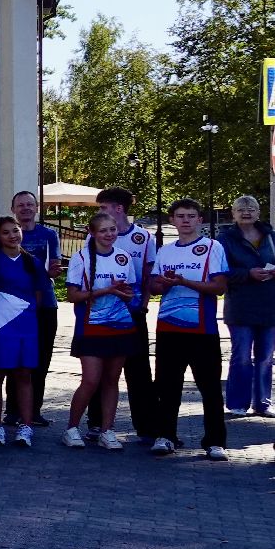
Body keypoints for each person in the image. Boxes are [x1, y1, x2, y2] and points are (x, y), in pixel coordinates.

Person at [147, 199, 227, 460]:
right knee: (167, 385)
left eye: (191, 216)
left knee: (210, 387)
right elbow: (154, 287)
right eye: (180, 216)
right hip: (169, 327)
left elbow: (219, 287)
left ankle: (215, 441)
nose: (185, 220)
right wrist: (167, 285)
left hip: (202, 328)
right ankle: (165, 435)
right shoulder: (165, 251)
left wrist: (185, 281)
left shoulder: (211, 247)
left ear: (200, 220)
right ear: (172, 220)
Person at [63, 213, 144, 450]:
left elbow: (130, 292)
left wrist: (125, 293)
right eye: (103, 231)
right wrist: (107, 291)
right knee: (90, 380)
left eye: (112, 230)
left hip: (120, 326)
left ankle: (107, 430)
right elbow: (72, 295)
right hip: (91, 327)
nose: (109, 235)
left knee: (112, 380)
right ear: (92, 233)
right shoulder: (81, 258)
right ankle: (71, 428)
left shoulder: (123, 256)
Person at [97, 187, 156, 438]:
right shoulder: (96, 236)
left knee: (139, 369)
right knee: (101, 368)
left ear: (118, 209)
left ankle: (146, 425)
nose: (100, 212)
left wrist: (143, 302)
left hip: (132, 312)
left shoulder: (143, 237)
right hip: (103, 314)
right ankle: (96, 423)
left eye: (103, 208)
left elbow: (149, 274)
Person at [0, 217, 43, 447]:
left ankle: (26, 426)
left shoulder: (33, 262)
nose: (12, 236)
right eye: (6, 232)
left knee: (24, 375)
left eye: (15, 230)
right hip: (0, 325)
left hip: (26, 325)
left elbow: (38, 294)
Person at [218, 195, 275, 416]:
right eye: (241, 209)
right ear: (233, 214)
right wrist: (247, 273)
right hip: (240, 305)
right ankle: (237, 403)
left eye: (251, 208)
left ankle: (262, 403)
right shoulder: (226, 239)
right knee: (241, 355)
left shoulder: (271, 236)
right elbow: (221, 271)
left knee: (265, 357)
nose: (246, 212)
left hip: (270, 304)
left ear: (259, 212)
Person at [11, 190, 63, 426]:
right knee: (15, 359)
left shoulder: (49, 234)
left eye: (29, 204)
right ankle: (12, 410)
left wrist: (53, 271)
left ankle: (34, 410)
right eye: (20, 205)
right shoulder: (8, 234)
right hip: (15, 306)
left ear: (37, 208)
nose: (25, 208)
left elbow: (55, 264)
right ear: (13, 209)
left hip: (45, 304)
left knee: (41, 359)